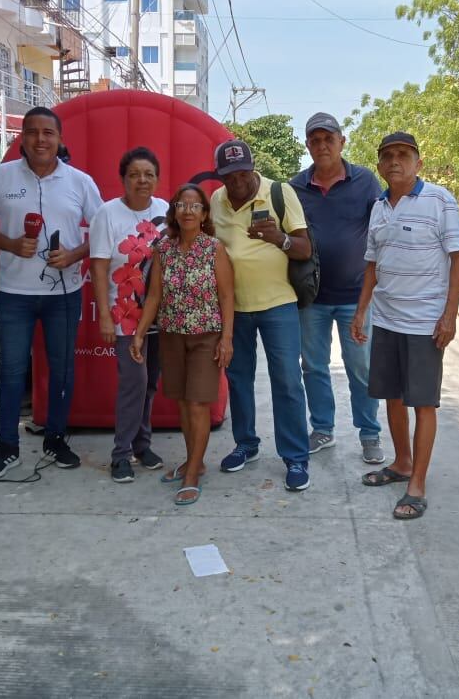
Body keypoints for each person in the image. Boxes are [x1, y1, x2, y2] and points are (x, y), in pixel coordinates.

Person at [0, 106, 103, 479]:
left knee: (62, 371)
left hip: (65, 293)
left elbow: (104, 228)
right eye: (32, 133)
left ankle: (56, 439)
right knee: (11, 371)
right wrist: (10, 244)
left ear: (60, 140)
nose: (40, 140)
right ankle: (6, 446)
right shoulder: (0, 177)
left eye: (48, 133)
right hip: (14, 294)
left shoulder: (80, 182)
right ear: (22, 138)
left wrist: (75, 253)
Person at [349, 132, 459, 520]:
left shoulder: (439, 200)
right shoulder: (379, 207)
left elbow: (458, 257)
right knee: (392, 397)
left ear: (418, 162)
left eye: (403, 155)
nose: (394, 162)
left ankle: (417, 483)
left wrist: (450, 315)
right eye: (387, 156)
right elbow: (372, 264)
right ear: (380, 165)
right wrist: (361, 311)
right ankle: (401, 463)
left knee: (423, 403)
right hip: (387, 320)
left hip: (425, 324)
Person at [209, 139, 314, 491]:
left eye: (242, 172)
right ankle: (246, 444)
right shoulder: (216, 200)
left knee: (286, 381)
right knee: (238, 379)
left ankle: (296, 457)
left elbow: (305, 247)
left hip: (278, 303)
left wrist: (279, 239)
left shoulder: (280, 192)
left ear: (253, 167)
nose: (236, 181)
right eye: (228, 175)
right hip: (234, 307)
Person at [289, 113, 384, 463]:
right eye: (315, 140)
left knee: (360, 366)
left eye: (329, 138)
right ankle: (323, 429)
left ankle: (370, 433)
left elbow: (380, 230)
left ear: (342, 142)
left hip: (355, 297)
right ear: (308, 146)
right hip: (311, 298)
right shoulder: (295, 187)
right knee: (313, 366)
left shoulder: (365, 181)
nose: (322, 145)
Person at [131, 184, 235, 504]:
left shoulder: (214, 248)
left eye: (195, 206)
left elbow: (227, 296)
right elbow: (154, 296)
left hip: (206, 336)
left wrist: (227, 339)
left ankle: (191, 474)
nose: (188, 211)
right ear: (174, 212)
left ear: (204, 214)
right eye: (182, 205)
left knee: (197, 404)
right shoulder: (164, 249)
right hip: (172, 335)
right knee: (181, 402)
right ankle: (196, 461)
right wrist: (139, 332)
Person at [89, 147, 169, 482]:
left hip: (159, 313)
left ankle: (142, 444)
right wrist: (106, 316)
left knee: (150, 383)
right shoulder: (107, 214)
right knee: (133, 384)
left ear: (157, 178)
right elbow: (99, 265)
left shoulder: (165, 210)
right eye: (135, 174)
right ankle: (121, 454)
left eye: (149, 174)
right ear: (123, 178)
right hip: (125, 313)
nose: (142, 180)